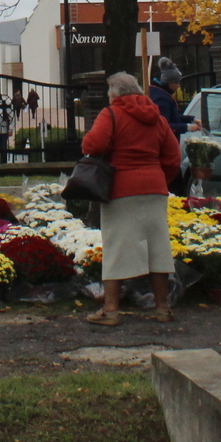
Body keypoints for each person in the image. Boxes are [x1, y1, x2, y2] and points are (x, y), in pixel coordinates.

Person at [81, 72, 183, 326]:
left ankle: (111, 310)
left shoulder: (111, 114)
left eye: (109, 93)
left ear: (115, 94)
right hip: (154, 188)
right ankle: (162, 308)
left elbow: (93, 145)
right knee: (158, 249)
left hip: (121, 190)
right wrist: (159, 179)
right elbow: (173, 158)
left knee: (116, 248)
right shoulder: (157, 118)